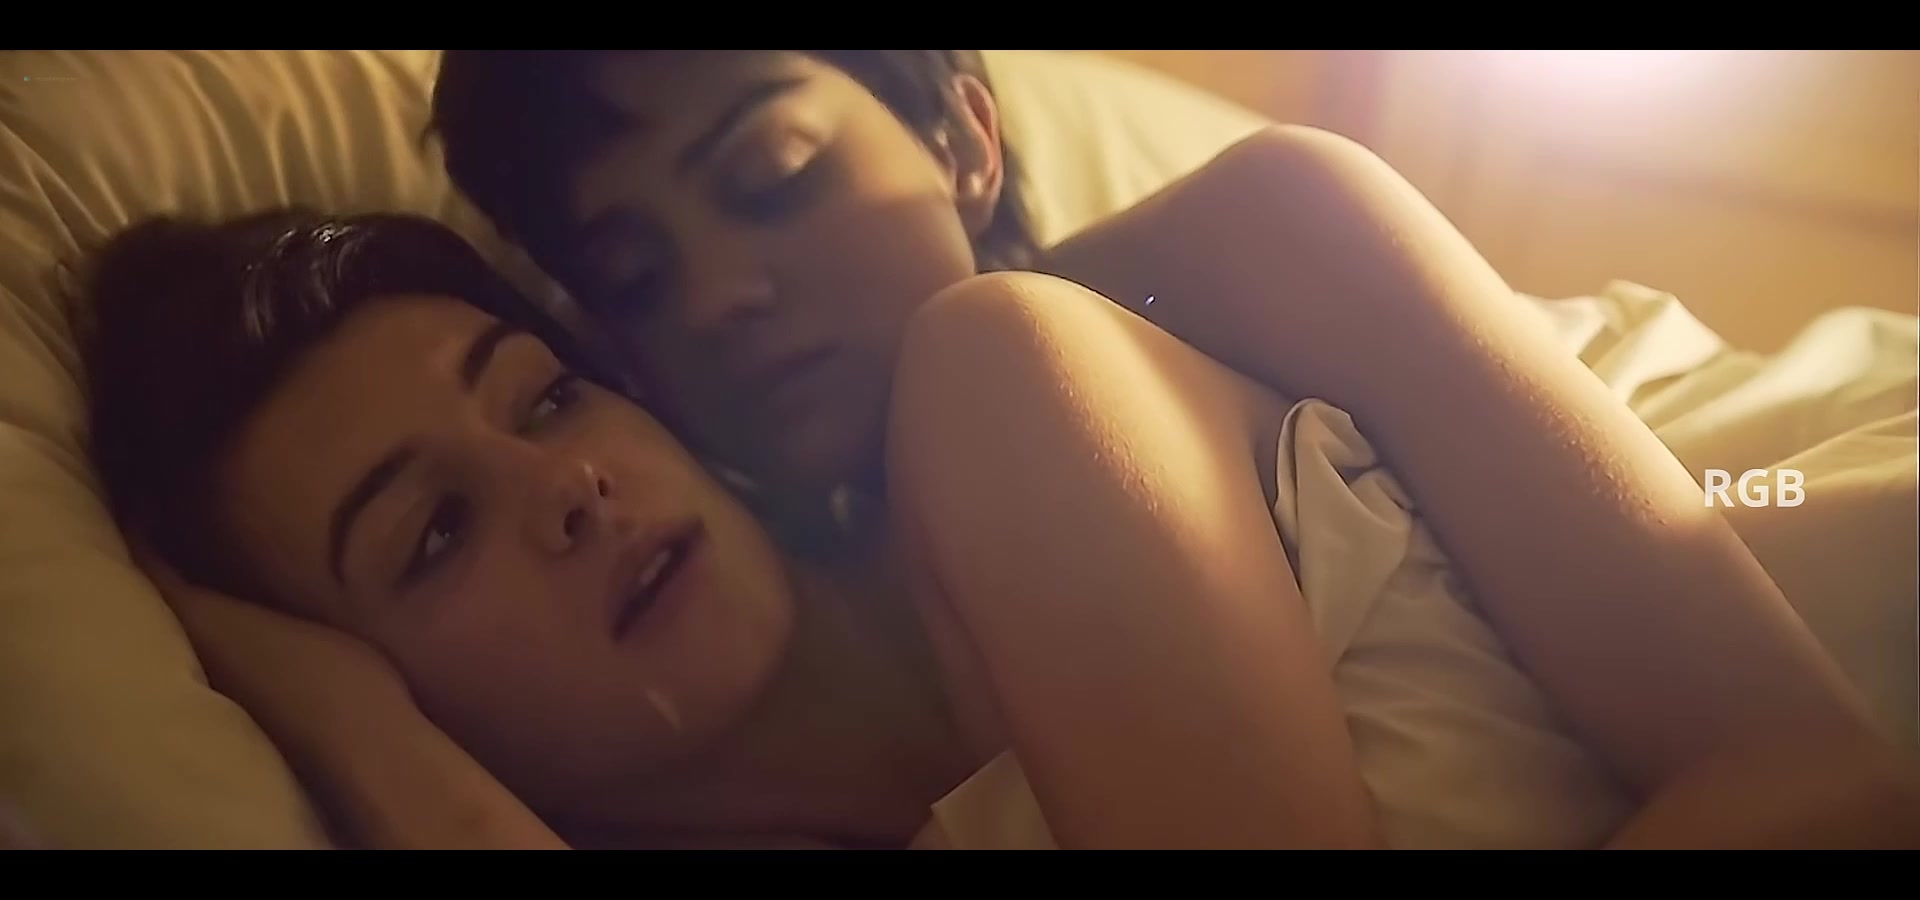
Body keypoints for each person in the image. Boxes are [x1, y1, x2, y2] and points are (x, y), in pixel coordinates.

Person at [420, 51, 1920, 847]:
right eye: (636, 277)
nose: (717, 296)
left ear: (963, 138)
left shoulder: (1254, 239)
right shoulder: (751, 656)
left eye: (770, 177)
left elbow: (1808, 774)